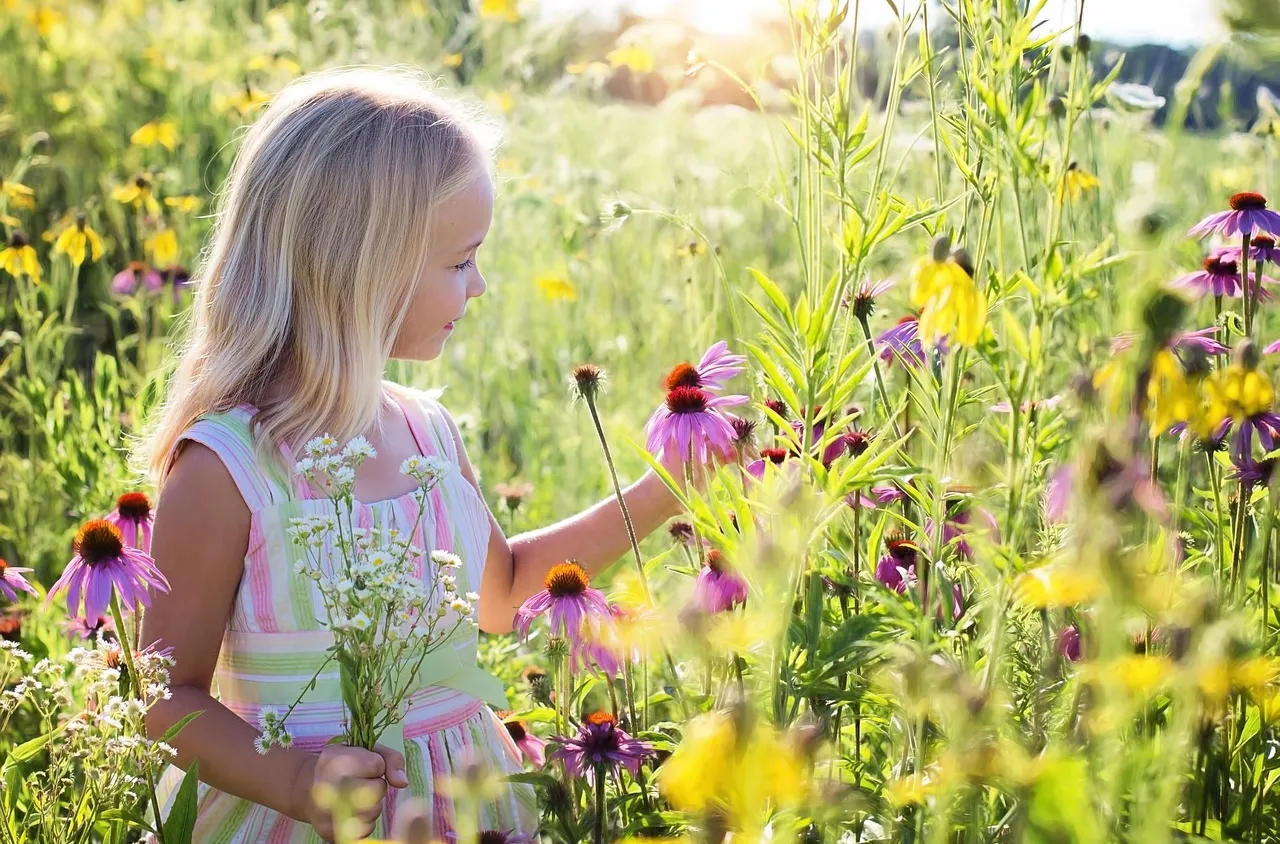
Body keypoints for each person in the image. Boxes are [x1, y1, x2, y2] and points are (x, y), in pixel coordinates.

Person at [138, 66, 682, 843]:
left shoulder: (429, 432)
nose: (481, 284)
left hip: (465, 805)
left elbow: (504, 594)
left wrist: (668, 488)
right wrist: (295, 779)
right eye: (461, 261)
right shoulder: (229, 468)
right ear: (361, 270)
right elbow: (164, 698)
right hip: (295, 818)